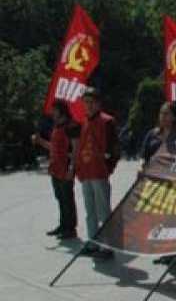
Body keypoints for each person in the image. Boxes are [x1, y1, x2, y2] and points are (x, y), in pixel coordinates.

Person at [75, 89, 120, 259]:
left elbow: (115, 149)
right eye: (85, 102)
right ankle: (93, 242)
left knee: (103, 211)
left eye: (91, 101)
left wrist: (108, 167)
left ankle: (107, 246)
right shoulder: (84, 121)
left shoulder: (107, 121)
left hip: (99, 173)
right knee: (90, 210)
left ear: (98, 103)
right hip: (86, 172)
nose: (88, 105)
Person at [141, 102, 176, 265]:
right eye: (161, 113)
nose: (163, 117)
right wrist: (142, 169)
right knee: (158, 218)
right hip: (155, 182)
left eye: (167, 114)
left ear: (174, 116)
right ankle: (164, 251)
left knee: (173, 219)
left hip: (174, 183)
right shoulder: (152, 134)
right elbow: (144, 156)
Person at [32, 101, 79, 241]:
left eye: (54, 110)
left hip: (65, 168)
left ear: (60, 110)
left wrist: (72, 168)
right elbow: (54, 147)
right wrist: (40, 141)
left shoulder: (71, 126)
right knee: (60, 198)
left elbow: (76, 149)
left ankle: (70, 228)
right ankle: (63, 225)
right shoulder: (56, 126)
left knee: (67, 199)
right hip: (55, 168)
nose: (52, 112)